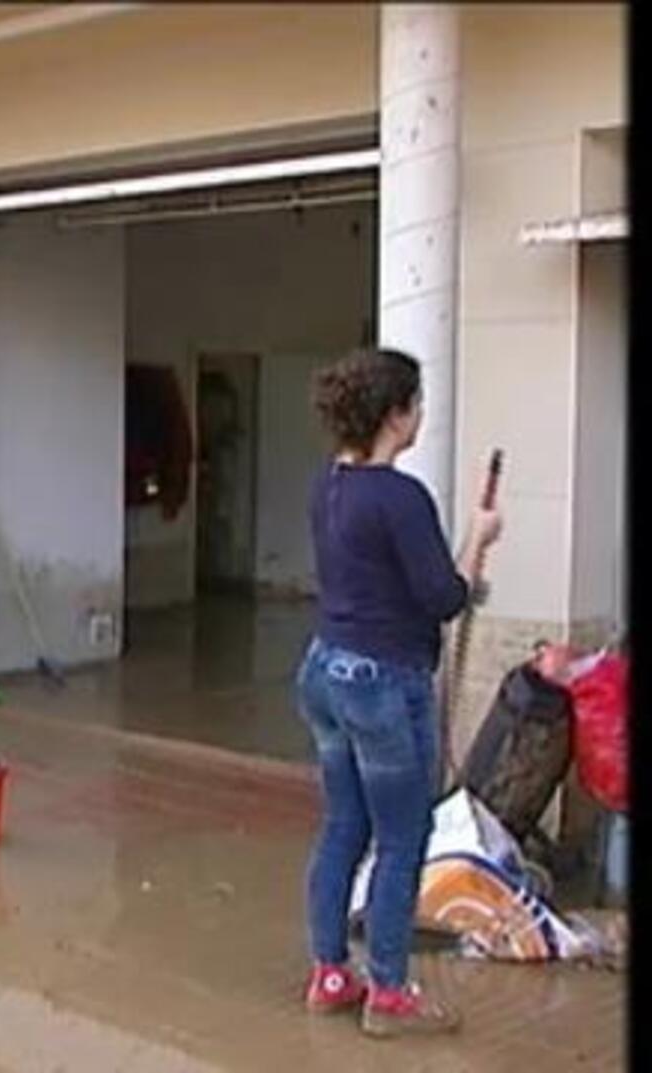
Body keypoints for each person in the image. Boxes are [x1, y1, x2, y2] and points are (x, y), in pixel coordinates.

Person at [296, 347, 501, 1038]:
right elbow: (443, 597)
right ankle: (388, 990)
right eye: (415, 403)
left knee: (343, 825)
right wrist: (478, 537)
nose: (421, 415)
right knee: (402, 835)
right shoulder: (401, 496)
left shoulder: (327, 483)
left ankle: (330, 972)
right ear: (394, 414)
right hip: (383, 683)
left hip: (325, 668)